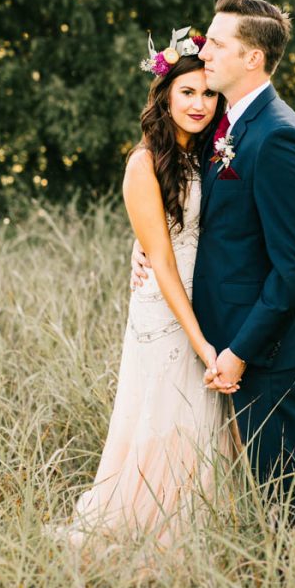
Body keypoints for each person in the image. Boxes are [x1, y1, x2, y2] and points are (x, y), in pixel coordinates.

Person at [132, 0, 295, 538]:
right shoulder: (227, 124)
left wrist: (240, 351)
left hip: (267, 345)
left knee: (287, 486)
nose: (205, 50)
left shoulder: (278, 135)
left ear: (253, 59)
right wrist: (151, 254)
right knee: (255, 486)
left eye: (218, 43)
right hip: (228, 335)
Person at [59, 29, 236, 550]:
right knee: (164, 417)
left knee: (202, 426)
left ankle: (206, 528)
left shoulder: (207, 154)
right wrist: (203, 341)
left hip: (204, 300)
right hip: (166, 310)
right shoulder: (144, 163)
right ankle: (156, 532)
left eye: (208, 93)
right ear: (164, 96)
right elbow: (160, 257)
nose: (200, 103)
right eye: (188, 92)